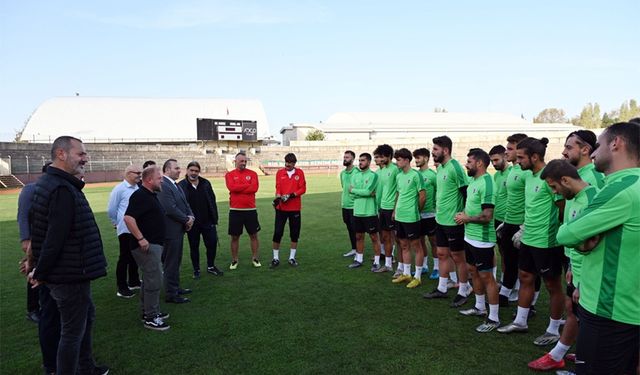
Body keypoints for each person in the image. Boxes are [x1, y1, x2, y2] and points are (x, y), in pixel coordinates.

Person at [556, 122, 639, 375]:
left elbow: (566, 233)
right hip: (627, 308)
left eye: (599, 145)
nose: (593, 153)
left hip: (608, 311)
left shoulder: (621, 189)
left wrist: (579, 239)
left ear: (616, 143)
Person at [27, 136, 108, 375]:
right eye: (80, 154)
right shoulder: (61, 188)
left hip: (69, 272)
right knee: (72, 332)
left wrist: (39, 268)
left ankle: (86, 367)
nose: (85, 158)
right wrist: (40, 271)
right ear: (61, 154)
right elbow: (54, 238)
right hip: (68, 274)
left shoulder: (56, 183)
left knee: (85, 319)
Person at [527, 159, 598, 371]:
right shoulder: (572, 199)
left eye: (553, 186)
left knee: (591, 319)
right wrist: (571, 268)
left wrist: (583, 282)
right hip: (575, 269)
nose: (554, 192)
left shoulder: (593, 200)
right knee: (573, 311)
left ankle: (579, 360)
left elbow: (595, 245)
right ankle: (564, 354)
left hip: (590, 275)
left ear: (565, 180)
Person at [498, 137, 566, 349]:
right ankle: (520, 321)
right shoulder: (529, 177)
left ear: (534, 157)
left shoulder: (550, 178)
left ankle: (554, 329)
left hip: (546, 242)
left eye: (520, 157)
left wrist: (560, 234)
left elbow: (562, 208)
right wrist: (523, 228)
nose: (517, 161)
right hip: (528, 237)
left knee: (552, 285)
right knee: (525, 277)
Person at [455, 149, 500, 332]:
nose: (466, 164)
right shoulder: (474, 180)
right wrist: (464, 215)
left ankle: (494, 317)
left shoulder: (488, 183)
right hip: (470, 236)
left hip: (482, 240)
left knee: (487, 277)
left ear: (479, 163)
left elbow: (487, 216)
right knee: (473, 271)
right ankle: (480, 307)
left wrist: (467, 218)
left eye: (469, 161)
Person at [424, 136, 471, 307]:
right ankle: (442, 288)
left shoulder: (455, 167)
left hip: (454, 222)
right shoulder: (441, 168)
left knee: (458, 257)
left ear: (445, 150)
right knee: (442, 254)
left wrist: (465, 214)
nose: (432, 152)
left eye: (435, 149)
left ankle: (464, 289)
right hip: (441, 220)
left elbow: (466, 192)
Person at [124, 165, 171, 331]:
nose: (162, 181)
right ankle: (151, 317)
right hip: (146, 246)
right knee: (154, 279)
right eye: (159, 178)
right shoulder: (140, 196)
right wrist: (141, 238)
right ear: (149, 180)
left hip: (153, 244)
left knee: (150, 279)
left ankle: (149, 311)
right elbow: (128, 218)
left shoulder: (149, 195)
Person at [496, 133, 539, 309]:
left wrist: (524, 226)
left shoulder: (527, 172)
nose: (506, 152)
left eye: (510, 149)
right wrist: (505, 222)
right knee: (509, 261)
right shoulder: (513, 170)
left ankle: (531, 304)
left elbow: (531, 200)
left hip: (522, 225)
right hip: (509, 222)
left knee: (527, 269)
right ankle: (505, 294)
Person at [17, 163, 52, 323]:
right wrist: (26, 239)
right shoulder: (30, 189)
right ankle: (32, 309)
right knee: (34, 270)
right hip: (35, 239)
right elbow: (23, 215)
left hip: (49, 238)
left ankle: (46, 304)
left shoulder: (55, 188)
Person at [158, 159, 194, 304]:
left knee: (176, 261)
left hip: (178, 229)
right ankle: (171, 293)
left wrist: (191, 216)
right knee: (171, 262)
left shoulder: (174, 185)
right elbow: (170, 208)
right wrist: (186, 219)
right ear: (167, 170)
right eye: (176, 168)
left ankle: (175, 287)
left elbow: (185, 204)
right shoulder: (164, 185)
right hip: (170, 231)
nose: (180, 170)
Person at [178, 161, 222, 278]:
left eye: (196, 171)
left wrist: (214, 218)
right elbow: (180, 205)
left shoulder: (205, 183)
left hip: (207, 221)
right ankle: (196, 269)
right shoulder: (181, 185)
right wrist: (185, 220)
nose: (194, 173)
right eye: (191, 170)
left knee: (212, 243)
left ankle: (211, 266)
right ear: (187, 171)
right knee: (194, 246)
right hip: (192, 223)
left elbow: (212, 200)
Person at [390, 148, 425, 288]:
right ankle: (406, 273)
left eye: (398, 160)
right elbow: (398, 194)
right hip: (400, 216)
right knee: (403, 245)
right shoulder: (399, 176)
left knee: (416, 246)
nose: (396, 162)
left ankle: (417, 276)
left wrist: (416, 210)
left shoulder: (416, 175)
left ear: (406, 160)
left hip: (411, 217)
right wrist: (394, 211)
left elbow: (422, 196)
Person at [107, 165, 142, 299]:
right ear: (128, 173)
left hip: (137, 227)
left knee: (135, 256)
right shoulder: (119, 189)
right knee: (125, 257)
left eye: (140, 173)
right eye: (137, 173)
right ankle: (122, 287)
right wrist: (116, 222)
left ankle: (134, 281)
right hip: (125, 229)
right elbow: (111, 209)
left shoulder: (138, 188)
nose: (139, 175)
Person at [225, 152, 261, 269]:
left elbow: (254, 188)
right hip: (235, 210)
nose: (244, 163)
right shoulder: (229, 175)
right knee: (234, 237)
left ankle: (255, 258)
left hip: (250, 210)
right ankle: (235, 260)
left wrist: (239, 187)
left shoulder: (253, 174)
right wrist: (246, 185)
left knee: (253, 235)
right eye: (241, 161)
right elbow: (231, 188)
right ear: (235, 161)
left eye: (245, 161)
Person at [270, 153, 306, 267]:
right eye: (286, 162)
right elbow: (278, 187)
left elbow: (303, 188)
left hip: (295, 208)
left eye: (290, 163)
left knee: (294, 233)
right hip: (281, 208)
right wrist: (278, 197)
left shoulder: (299, 172)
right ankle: (275, 258)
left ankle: (292, 258)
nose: (287, 165)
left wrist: (291, 195)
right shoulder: (280, 172)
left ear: (294, 163)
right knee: (277, 232)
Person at [347, 153, 381, 269]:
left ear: (369, 162)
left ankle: (376, 261)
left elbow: (368, 192)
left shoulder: (373, 176)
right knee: (358, 236)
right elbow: (350, 191)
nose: (360, 162)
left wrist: (356, 191)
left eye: (363, 160)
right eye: (359, 160)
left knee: (374, 237)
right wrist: (364, 193)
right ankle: (359, 259)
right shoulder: (355, 176)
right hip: (357, 211)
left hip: (370, 212)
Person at [373, 144, 399, 273]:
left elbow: (400, 190)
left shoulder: (395, 169)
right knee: (385, 236)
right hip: (382, 208)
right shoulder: (382, 171)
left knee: (398, 239)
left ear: (389, 156)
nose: (380, 159)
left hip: (391, 208)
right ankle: (388, 264)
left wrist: (395, 209)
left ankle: (401, 266)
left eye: (382, 156)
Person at [413, 148, 439, 280]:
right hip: (417, 214)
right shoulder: (414, 174)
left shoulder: (433, 175)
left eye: (419, 158)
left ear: (426, 158)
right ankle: (423, 266)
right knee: (420, 240)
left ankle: (437, 267)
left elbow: (438, 193)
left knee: (434, 241)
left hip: (430, 214)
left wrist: (436, 208)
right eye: (415, 158)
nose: (416, 160)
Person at [489, 145, 510, 280]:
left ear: (505, 157)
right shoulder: (496, 175)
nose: (494, 163)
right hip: (496, 219)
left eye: (496, 160)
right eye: (492, 161)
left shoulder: (513, 173)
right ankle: (503, 280)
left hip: (508, 220)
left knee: (509, 255)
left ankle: (511, 283)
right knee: (500, 252)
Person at [340, 151, 358, 258]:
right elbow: (344, 187)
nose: (345, 159)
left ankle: (359, 251)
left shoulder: (357, 172)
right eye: (344, 157)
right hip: (345, 205)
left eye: (347, 157)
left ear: (352, 159)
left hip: (354, 206)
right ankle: (354, 249)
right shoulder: (342, 173)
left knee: (357, 230)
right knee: (350, 228)